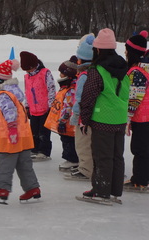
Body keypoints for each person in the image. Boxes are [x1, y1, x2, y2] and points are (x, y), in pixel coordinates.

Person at [77, 28, 129, 204]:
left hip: (103, 119)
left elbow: (88, 96)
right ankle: (114, 190)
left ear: (98, 49)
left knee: (102, 156)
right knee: (116, 156)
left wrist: (84, 119)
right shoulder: (123, 65)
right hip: (120, 118)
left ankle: (101, 190)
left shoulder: (97, 69)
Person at [0, 58, 41, 204]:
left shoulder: (3, 94)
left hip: (10, 137)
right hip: (24, 136)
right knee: (24, 164)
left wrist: (11, 130)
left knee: (4, 164)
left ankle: (2, 189)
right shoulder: (14, 92)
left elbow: (9, 111)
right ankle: (32, 188)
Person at [124, 30, 149, 192]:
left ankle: (140, 181)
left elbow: (134, 99)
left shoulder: (137, 72)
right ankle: (141, 178)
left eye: (126, 49)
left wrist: (127, 118)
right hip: (145, 117)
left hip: (142, 117)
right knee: (143, 149)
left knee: (140, 149)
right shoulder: (144, 68)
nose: (125, 52)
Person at [67, 34, 95, 180]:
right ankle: (88, 166)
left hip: (83, 117)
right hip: (93, 114)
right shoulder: (94, 72)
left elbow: (80, 98)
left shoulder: (84, 75)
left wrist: (75, 115)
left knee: (82, 143)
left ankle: (85, 169)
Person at [20, 51, 56, 161]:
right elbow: (27, 92)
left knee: (43, 132)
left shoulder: (45, 73)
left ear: (34, 65)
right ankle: (34, 149)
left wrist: (51, 106)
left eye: (28, 68)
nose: (27, 71)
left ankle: (44, 152)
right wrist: (27, 107)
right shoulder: (27, 77)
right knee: (33, 131)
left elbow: (51, 89)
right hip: (33, 109)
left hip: (45, 108)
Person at [44, 56, 79, 171]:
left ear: (68, 75)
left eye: (62, 74)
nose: (59, 76)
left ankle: (73, 160)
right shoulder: (65, 87)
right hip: (64, 122)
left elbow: (68, 107)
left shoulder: (71, 89)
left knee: (69, 142)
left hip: (68, 123)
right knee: (65, 140)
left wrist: (63, 120)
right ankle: (71, 159)